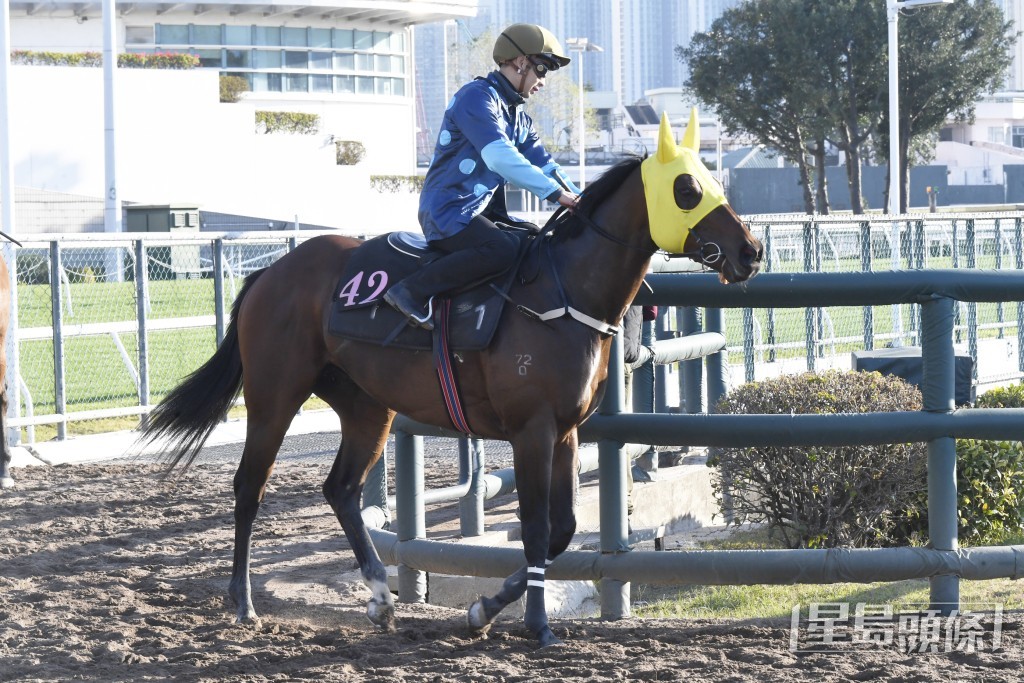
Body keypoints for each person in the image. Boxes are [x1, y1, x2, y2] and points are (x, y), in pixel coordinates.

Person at [384, 23, 582, 331]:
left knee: (533, 236)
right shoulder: (476, 98)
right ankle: (410, 291)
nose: (543, 81)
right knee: (500, 250)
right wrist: (557, 195)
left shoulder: (518, 116)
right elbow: (498, 156)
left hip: (478, 212)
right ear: (520, 62)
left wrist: (582, 198)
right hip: (449, 212)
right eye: (542, 69)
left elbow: (546, 165)